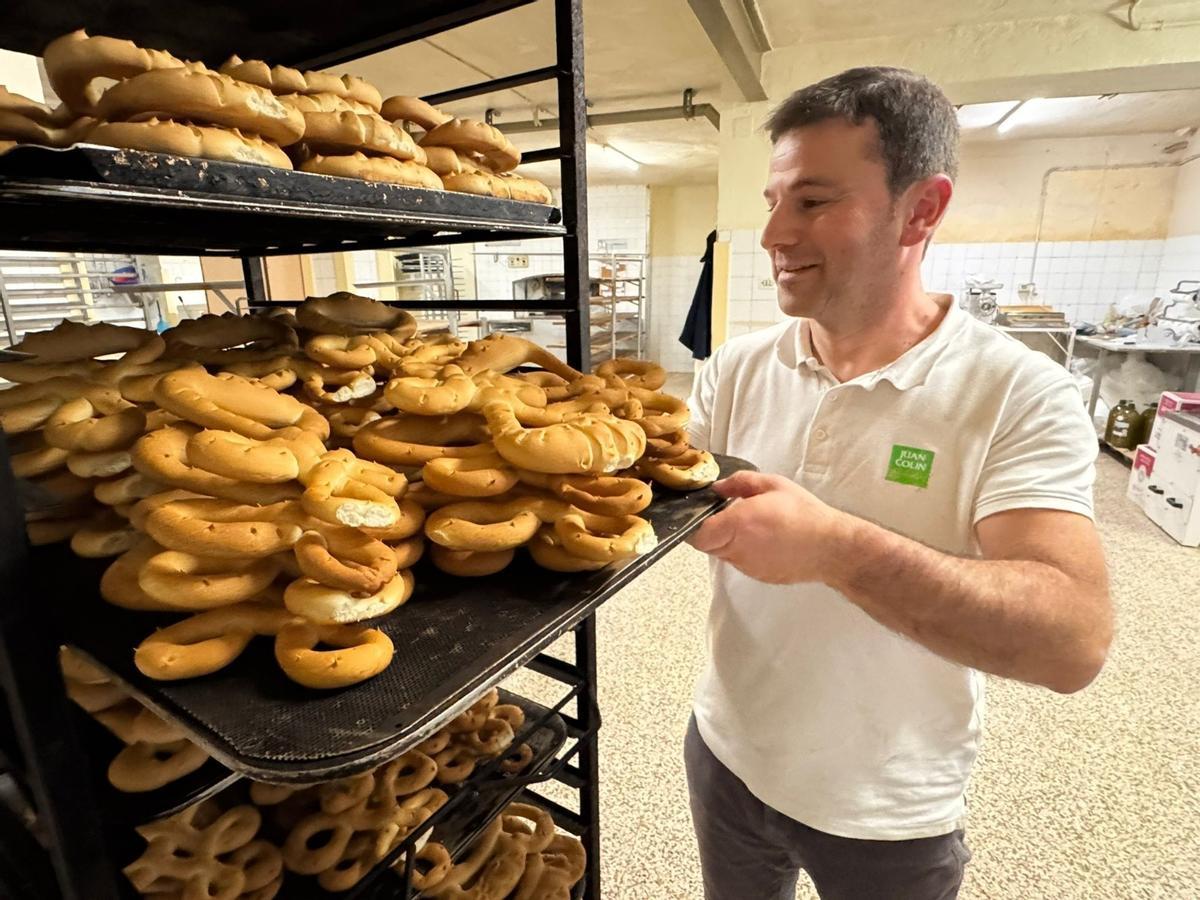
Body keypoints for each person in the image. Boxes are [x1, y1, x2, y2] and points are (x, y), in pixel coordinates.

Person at [683, 67, 1112, 900]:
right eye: (773, 201)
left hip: (887, 811)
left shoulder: (1017, 393)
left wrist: (835, 549)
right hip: (727, 753)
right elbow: (653, 499)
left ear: (920, 210)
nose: (773, 233)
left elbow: (1073, 642)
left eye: (812, 201)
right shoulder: (736, 369)